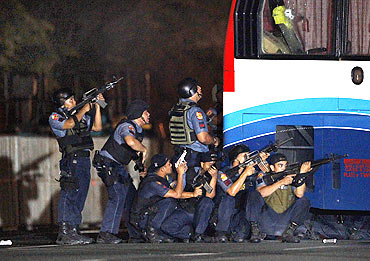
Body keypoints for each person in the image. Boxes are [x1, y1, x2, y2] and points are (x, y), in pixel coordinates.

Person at [49, 87, 104, 245]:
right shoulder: (56, 116)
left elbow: (97, 127)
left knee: (80, 194)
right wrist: (84, 108)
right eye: (70, 99)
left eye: (74, 98)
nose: (74, 101)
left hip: (84, 159)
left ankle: (73, 228)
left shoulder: (79, 116)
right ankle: (65, 231)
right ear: (62, 102)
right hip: (71, 159)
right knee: (70, 193)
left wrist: (97, 106)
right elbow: (68, 125)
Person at [92, 99, 149, 244]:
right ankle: (107, 233)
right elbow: (130, 142)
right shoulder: (127, 126)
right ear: (138, 114)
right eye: (145, 112)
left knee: (131, 198)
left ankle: (135, 234)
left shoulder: (138, 130)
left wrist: (140, 164)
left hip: (119, 167)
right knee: (117, 196)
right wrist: (144, 149)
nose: (149, 114)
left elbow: (131, 151)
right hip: (109, 165)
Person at [246, 153, 312, 243]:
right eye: (280, 165)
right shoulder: (264, 175)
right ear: (272, 167)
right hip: (267, 215)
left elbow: (299, 194)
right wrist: (281, 182)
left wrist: (302, 175)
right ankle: (255, 232)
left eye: (285, 165)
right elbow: (261, 193)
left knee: (304, 201)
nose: (283, 168)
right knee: (253, 195)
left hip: (286, 217)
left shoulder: (290, 176)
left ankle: (289, 232)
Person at [160, 151, 218, 242]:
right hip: (187, 209)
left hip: (201, 212)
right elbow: (177, 194)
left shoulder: (213, 176)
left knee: (207, 202)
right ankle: (191, 234)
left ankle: (199, 234)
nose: (212, 168)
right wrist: (192, 194)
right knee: (167, 226)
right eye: (210, 164)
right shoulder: (190, 173)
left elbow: (209, 196)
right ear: (202, 164)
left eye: (214, 164)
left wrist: (214, 177)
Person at [130, 154, 187, 243]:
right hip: (142, 219)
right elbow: (177, 194)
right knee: (170, 202)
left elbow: (177, 190)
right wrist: (180, 174)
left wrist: (194, 194)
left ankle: (159, 232)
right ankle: (151, 232)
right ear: (162, 169)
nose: (171, 165)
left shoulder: (162, 178)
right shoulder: (153, 183)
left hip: (149, 215)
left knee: (175, 204)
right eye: (168, 164)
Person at [214, 144, 266, 242]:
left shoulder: (251, 172)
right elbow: (231, 192)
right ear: (235, 159)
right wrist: (245, 173)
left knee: (255, 195)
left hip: (240, 213)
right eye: (244, 156)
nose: (248, 158)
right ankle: (221, 232)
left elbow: (263, 184)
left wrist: (263, 163)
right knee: (228, 198)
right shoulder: (223, 173)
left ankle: (254, 229)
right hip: (224, 214)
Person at [169, 77, 220, 169]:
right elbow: (203, 138)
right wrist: (214, 141)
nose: (200, 89)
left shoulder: (175, 109)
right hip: (194, 159)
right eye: (198, 87)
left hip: (179, 156)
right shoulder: (195, 111)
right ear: (192, 90)